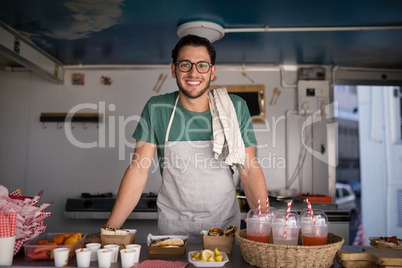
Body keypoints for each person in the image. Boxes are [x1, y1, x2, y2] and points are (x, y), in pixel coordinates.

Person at [106, 34, 268, 242]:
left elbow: (249, 170)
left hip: (223, 229)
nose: (194, 72)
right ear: (173, 70)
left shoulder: (234, 108)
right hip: (173, 229)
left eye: (202, 65)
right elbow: (138, 170)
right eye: (185, 64)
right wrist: (109, 231)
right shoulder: (157, 108)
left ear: (212, 71)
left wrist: (267, 227)